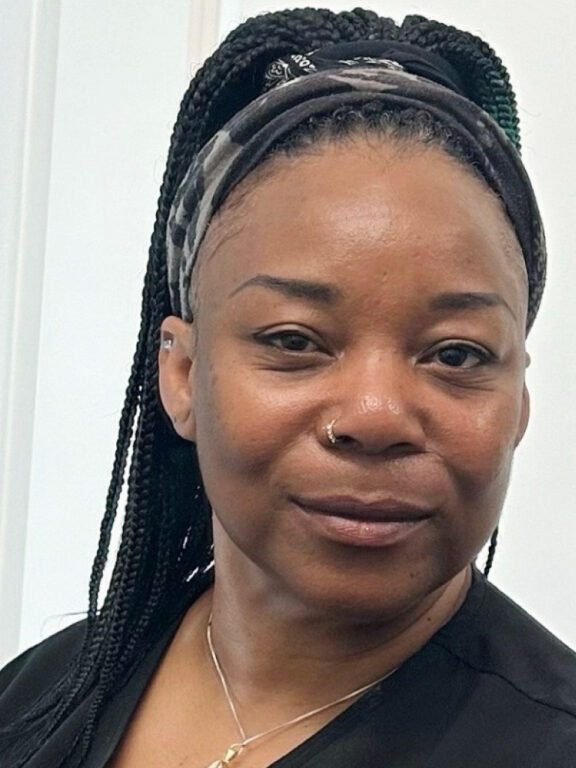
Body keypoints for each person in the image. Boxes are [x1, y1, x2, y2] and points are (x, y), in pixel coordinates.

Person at [1, 6, 575, 767]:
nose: (375, 415)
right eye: (295, 341)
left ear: (519, 405)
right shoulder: (36, 705)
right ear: (180, 374)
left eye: (457, 355)